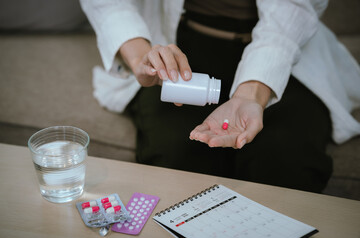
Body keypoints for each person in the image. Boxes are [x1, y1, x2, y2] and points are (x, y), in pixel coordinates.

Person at [80, 0, 360, 193]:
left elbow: (294, 9)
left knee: (286, 162)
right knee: (176, 158)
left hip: (281, 48)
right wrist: (141, 57)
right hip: (180, 44)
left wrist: (252, 91)